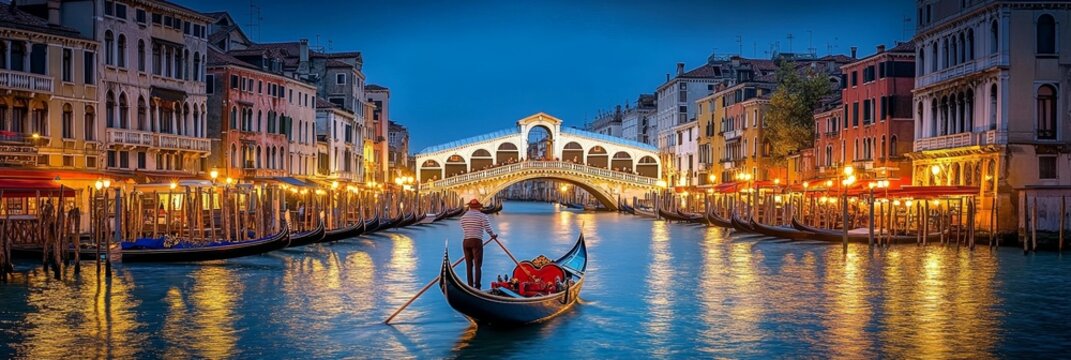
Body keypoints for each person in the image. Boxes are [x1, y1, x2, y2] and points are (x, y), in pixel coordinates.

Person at [460, 198, 497, 289]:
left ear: (470, 207)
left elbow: (463, 226)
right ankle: (477, 287)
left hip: (466, 241)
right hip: (476, 241)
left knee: (469, 265)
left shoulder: (463, 217)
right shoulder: (482, 216)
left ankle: (470, 286)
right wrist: (493, 235)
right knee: (477, 265)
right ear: (478, 207)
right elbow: (487, 228)